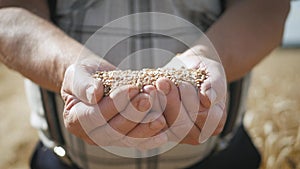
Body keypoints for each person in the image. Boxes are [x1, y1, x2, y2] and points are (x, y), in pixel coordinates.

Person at [0, 0, 290, 169]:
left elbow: (266, 7)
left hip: (220, 160)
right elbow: (9, 12)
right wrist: (68, 67)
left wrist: (206, 57)